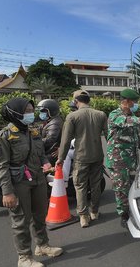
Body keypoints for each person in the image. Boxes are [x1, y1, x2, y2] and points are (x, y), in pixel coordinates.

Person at [0, 97, 63, 267]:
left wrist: (45, 162)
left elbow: (39, 153)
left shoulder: (33, 131)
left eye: (32, 111)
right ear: (15, 113)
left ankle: (42, 245)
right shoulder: (5, 136)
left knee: (40, 215)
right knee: (21, 220)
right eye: (27, 111)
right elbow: (1, 167)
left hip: (38, 179)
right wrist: (7, 192)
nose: (31, 114)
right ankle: (24, 257)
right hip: (19, 183)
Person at [106, 88, 140, 228]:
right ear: (126, 101)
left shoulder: (133, 115)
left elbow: (136, 139)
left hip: (131, 160)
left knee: (132, 187)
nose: (136, 104)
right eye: (134, 101)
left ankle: (132, 211)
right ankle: (123, 215)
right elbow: (125, 121)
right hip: (118, 160)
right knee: (121, 189)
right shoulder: (115, 115)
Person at [56, 90, 108, 228]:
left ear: (76, 101)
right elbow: (110, 137)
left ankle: (83, 216)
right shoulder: (101, 114)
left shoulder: (72, 116)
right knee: (95, 185)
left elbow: (65, 141)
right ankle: (94, 212)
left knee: (80, 186)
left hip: (80, 157)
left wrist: (60, 158)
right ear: (88, 100)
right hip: (97, 155)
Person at [37, 99, 63, 164]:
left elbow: (49, 140)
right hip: (49, 152)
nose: (41, 113)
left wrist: (35, 143)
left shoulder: (55, 124)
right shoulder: (50, 121)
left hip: (50, 154)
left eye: (43, 111)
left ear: (51, 111)